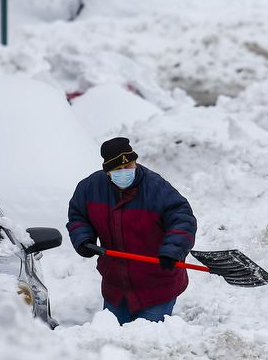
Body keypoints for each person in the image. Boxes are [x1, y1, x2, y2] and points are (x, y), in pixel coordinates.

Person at [67, 137, 197, 325]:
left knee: (145, 344)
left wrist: (172, 250)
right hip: (116, 288)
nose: (125, 172)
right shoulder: (90, 188)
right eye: (118, 169)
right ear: (107, 171)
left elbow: (183, 219)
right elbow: (78, 216)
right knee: (113, 345)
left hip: (157, 285)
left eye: (129, 166)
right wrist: (83, 239)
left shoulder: (156, 188)